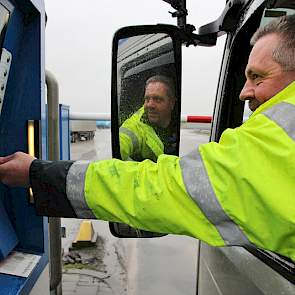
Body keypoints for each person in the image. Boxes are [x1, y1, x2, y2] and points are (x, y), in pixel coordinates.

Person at [0, 15, 295, 262]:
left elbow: (164, 189)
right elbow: (127, 146)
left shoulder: (283, 134)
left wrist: (37, 173)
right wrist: (41, 173)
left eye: (257, 77)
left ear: (173, 103)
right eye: (146, 99)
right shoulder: (134, 128)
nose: (244, 92)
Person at [119, 75, 177, 161]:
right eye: (147, 99)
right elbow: (122, 141)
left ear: (172, 103)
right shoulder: (136, 126)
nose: (150, 105)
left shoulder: (183, 119)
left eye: (157, 99)